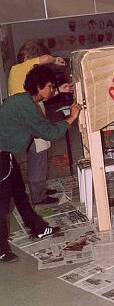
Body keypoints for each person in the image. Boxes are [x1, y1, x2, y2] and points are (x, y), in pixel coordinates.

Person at [0, 65, 81, 263]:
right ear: (39, 86)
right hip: (2, 157)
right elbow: (49, 132)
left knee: (20, 195)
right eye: (50, 87)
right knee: (2, 204)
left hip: (6, 155)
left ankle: (38, 228)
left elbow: (39, 106)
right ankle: (1, 249)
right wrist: (71, 117)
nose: (52, 90)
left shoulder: (23, 99)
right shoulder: (27, 105)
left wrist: (58, 92)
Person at [8, 42, 73, 204]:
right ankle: (39, 196)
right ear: (30, 58)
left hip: (32, 121)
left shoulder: (23, 74)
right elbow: (44, 59)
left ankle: (40, 189)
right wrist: (54, 60)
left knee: (41, 157)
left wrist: (59, 90)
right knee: (37, 159)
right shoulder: (19, 69)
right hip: (29, 124)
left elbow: (41, 96)